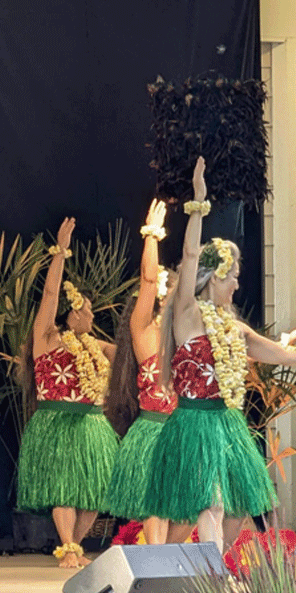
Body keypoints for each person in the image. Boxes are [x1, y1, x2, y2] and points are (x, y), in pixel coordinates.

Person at [141, 158, 296, 554]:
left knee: (234, 514)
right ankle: (212, 580)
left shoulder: (234, 328)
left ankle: (207, 564)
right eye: (232, 277)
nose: (237, 284)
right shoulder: (187, 314)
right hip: (195, 423)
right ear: (215, 278)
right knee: (209, 504)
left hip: (227, 424)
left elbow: (284, 355)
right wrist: (198, 203)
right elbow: (191, 256)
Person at [16, 217, 119, 568]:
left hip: (91, 423)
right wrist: (60, 252)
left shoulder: (96, 346)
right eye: (86, 309)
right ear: (72, 314)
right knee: (63, 487)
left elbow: (131, 354)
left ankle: (74, 547)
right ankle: (67, 546)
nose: (90, 314)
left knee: (92, 491)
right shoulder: (47, 338)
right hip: (57, 420)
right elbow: (49, 294)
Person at [104, 199, 176, 545]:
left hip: (186, 429)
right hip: (154, 430)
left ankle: (171, 561)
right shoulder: (145, 329)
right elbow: (148, 280)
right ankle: (159, 562)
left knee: (200, 509)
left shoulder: (189, 335)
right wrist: (152, 236)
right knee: (157, 507)